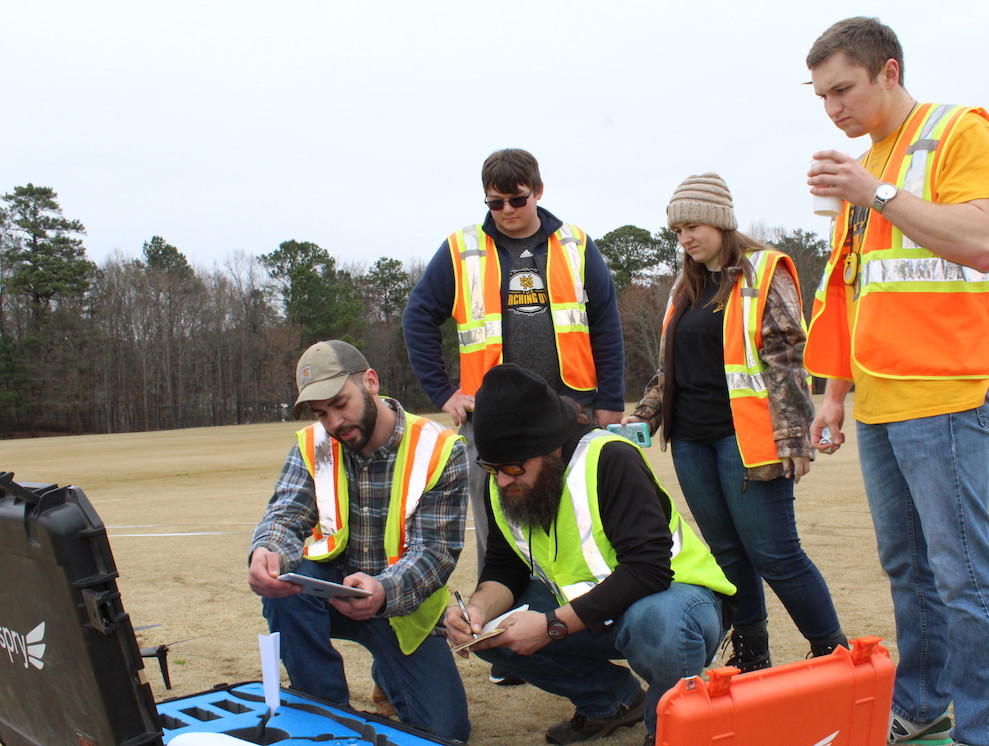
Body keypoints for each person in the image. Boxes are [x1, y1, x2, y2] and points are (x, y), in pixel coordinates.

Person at [804, 17, 989, 746]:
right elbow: (850, 288)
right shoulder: (862, 169)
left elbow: (986, 242)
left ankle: (984, 734)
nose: (831, 107)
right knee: (907, 567)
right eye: (820, 95)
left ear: (887, 72)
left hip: (947, 391)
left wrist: (877, 192)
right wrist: (833, 394)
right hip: (878, 398)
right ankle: (921, 701)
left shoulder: (958, 130)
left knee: (964, 575)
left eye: (843, 89)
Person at [403, 148, 626, 684]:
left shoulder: (574, 243)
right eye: (495, 202)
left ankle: (590, 622)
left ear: (538, 191)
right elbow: (418, 317)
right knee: (500, 531)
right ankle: (503, 635)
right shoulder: (462, 249)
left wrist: (611, 403)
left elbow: (606, 323)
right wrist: (445, 391)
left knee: (585, 518)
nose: (507, 210)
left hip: (572, 412)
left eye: (517, 199)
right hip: (494, 420)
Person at [624, 173, 846, 672]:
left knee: (777, 555)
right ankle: (752, 658)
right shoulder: (685, 286)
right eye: (677, 230)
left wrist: (793, 434)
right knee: (726, 557)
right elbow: (668, 369)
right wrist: (641, 420)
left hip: (748, 442)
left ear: (722, 221)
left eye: (693, 225)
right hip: (691, 443)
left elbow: (787, 356)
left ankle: (835, 657)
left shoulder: (766, 270)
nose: (685, 239)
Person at [445, 364, 734, 746]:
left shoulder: (609, 458)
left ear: (551, 448)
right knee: (495, 626)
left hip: (680, 603)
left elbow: (649, 569)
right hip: (594, 612)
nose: (502, 481)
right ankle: (612, 701)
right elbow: (505, 567)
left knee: (659, 622)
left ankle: (669, 731)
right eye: (492, 468)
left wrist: (551, 625)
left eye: (513, 468)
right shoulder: (502, 479)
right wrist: (478, 612)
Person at [247, 340, 471, 742]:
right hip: (328, 593)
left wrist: (383, 590)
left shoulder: (439, 449)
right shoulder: (314, 444)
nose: (333, 422)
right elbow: (285, 515)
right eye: (322, 413)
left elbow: (435, 552)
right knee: (288, 582)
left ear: (370, 382)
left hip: (402, 607)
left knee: (445, 734)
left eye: (340, 403)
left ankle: (387, 668)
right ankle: (326, 711)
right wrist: (268, 549)